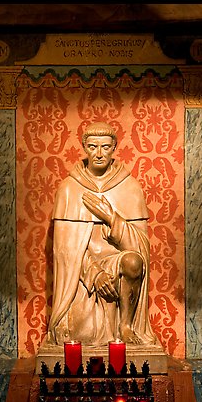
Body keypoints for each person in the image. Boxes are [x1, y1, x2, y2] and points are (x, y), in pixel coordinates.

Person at [45, 121, 157, 346]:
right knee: (78, 335)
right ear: (84, 148)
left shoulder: (130, 187)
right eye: (93, 147)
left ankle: (125, 326)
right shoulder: (69, 188)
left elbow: (141, 247)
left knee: (134, 262)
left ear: (114, 148)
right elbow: (66, 250)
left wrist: (111, 218)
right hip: (81, 272)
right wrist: (94, 274)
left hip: (117, 264)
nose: (99, 154)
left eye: (105, 147)